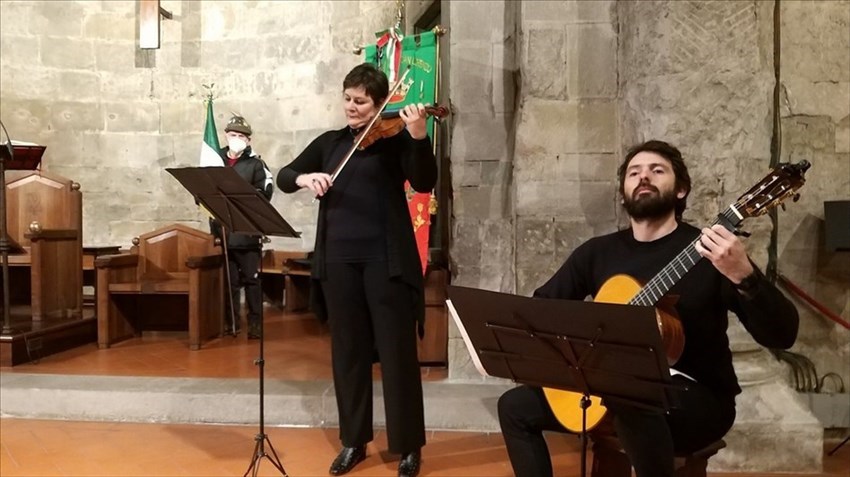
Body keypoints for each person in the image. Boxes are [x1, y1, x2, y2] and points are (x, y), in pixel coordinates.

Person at [497, 140, 799, 477]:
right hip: (609, 388)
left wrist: (745, 276)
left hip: (698, 397)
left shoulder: (713, 253)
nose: (644, 177)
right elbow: (541, 310)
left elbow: (783, 335)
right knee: (514, 407)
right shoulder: (597, 253)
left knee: (630, 398)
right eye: (634, 173)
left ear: (681, 189)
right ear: (623, 193)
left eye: (657, 170)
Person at [276, 63, 436, 477]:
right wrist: (306, 178)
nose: (351, 106)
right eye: (347, 98)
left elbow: (424, 181)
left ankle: (408, 446)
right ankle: (354, 441)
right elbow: (284, 176)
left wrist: (419, 136)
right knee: (348, 354)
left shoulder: (395, 140)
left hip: (385, 263)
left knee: (397, 355)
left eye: (361, 101)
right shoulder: (330, 143)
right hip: (338, 263)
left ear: (380, 103)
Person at [210, 114, 273, 339]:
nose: (236, 138)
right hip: (223, 232)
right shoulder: (215, 160)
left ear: (248, 140)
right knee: (230, 283)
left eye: (241, 136)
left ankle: (255, 324)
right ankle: (232, 323)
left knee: (252, 281)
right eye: (232, 134)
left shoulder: (256, 164)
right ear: (226, 135)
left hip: (247, 234)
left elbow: (266, 192)